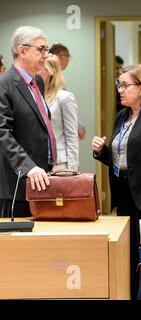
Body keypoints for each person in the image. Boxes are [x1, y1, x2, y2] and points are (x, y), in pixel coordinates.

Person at [92, 63, 141, 299]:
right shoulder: (123, 115)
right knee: (129, 251)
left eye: (125, 85)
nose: (120, 90)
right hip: (122, 191)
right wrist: (102, 151)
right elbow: (121, 157)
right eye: (119, 85)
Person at [0, 26, 55, 217]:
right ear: (22, 50)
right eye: (41, 49)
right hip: (18, 183)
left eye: (46, 50)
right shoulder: (4, 84)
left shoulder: (37, 82)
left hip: (42, 178)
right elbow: (2, 133)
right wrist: (28, 167)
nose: (46, 55)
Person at [38, 54, 79, 170]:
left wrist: (72, 169)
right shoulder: (32, 97)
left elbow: (71, 135)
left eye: (40, 67)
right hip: (36, 165)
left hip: (59, 164)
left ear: (51, 71)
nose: (35, 71)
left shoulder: (64, 98)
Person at [50, 43, 86, 140]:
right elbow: (62, 108)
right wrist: (79, 126)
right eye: (68, 57)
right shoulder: (53, 78)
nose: (68, 60)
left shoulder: (52, 76)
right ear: (61, 56)